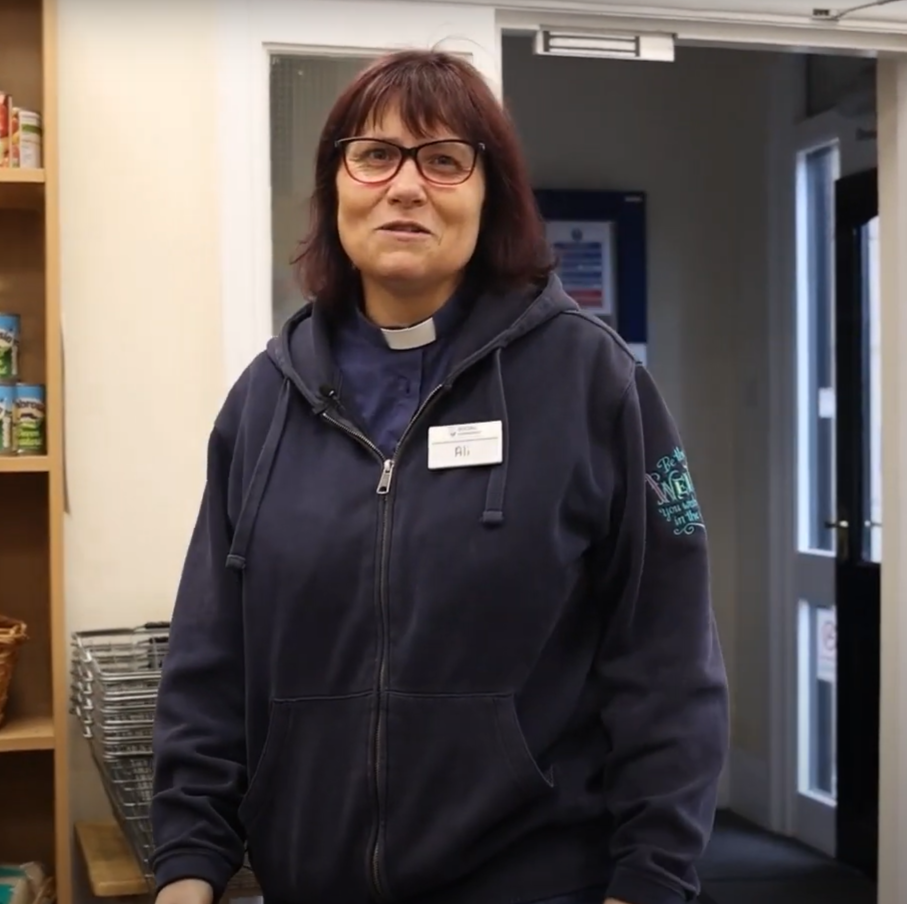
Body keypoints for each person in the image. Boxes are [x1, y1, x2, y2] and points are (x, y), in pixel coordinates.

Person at [150, 49, 729, 904]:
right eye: (375, 155)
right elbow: (210, 654)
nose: (406, 186)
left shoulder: (590, 382)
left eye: (444, 159)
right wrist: (187, 867)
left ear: (488, 194)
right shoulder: (265, 400)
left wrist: (650, 879)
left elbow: (666, 659)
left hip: (535, 880)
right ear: (336, 187)